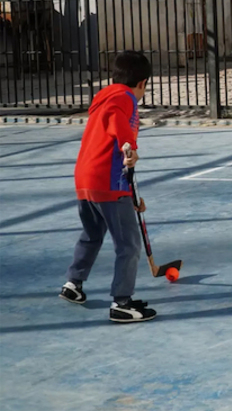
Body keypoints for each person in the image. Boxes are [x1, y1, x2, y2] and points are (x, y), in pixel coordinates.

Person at [59, 51, 157, 323]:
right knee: (128, 244)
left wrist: (133, 194)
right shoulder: (122, 98)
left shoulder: (104, 98)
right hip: (107, 182)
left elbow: (115, 154)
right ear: (142, 83)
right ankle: (122, 303)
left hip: (86, 179)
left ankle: (73, 284)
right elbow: (119, 127)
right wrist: (131, 145)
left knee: (92, 234)